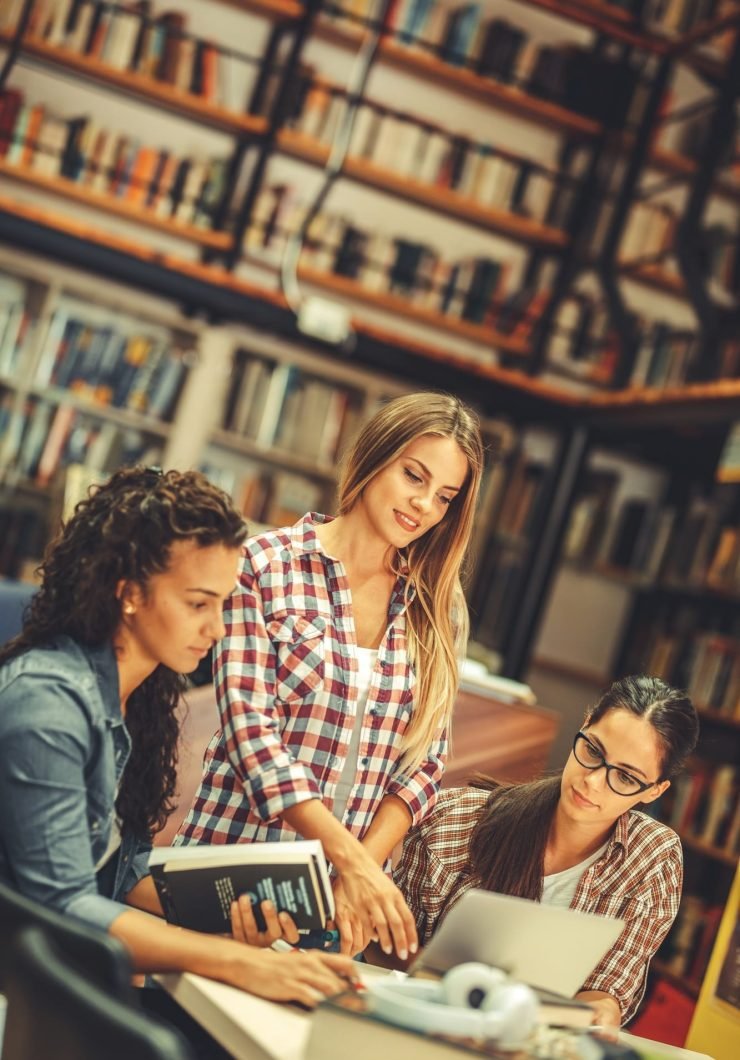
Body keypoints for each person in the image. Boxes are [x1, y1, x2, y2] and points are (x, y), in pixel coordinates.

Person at [0, 466, 354, 1012]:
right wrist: (237, 961)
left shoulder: (138, 699)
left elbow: (120, 867)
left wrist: (233, 915)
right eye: (197, 604)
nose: (217, 629)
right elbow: (63, 904)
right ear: (129, 593)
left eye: (222, 604)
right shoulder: (49, 704)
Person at [177, 392, 485, 959]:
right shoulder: (263, 566)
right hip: (232, 872)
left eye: (445, 496)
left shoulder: (440, 607)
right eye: (413, 476)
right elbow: (252, 739)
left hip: (341, 908)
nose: (423, 505)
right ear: (373, 457)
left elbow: (423, 767)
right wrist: (353, 862)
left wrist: (356, 875)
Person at [391, 675, 700, 1029]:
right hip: (423, 1022)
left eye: (626, 778)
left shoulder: (653, 857)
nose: (593, 781)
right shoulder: (456, 819)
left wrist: (600, 1013)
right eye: (593, 751)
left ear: (654, 791)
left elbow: (606, 990)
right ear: (584, 724)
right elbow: (384, 947)